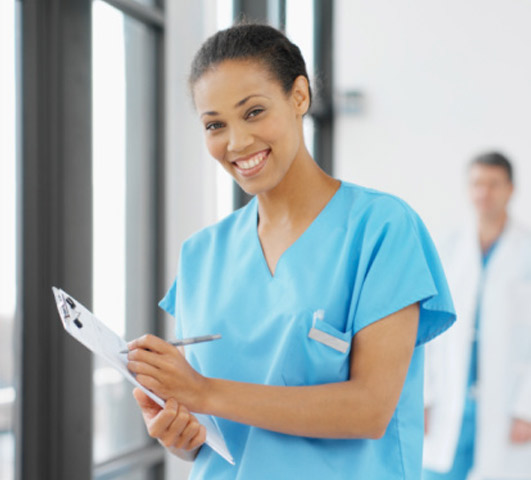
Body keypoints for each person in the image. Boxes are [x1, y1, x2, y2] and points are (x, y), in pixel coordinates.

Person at [126, 24, 455, 479]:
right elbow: (208, 433)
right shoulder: (200, 256)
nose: (237, 142)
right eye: (215, 124)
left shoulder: (382, 229)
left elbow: (369, 409)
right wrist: (178, 430)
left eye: (254, 112)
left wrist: (202, 392)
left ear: (299, 97)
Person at [423, 152, 531, 480]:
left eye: (493, 184)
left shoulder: (526, 250)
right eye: (477, 184)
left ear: (510, 189)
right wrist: (424, 397)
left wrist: (526, 409)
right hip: (450, 402)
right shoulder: (447, 247)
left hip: (505, 401)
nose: (484, 193)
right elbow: (426, 330)